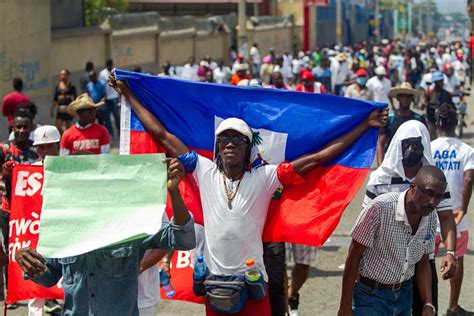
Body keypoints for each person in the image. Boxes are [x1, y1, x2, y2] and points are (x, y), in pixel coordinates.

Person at [109, 72, 387, 315]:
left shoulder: (265, 177)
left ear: (248, 148)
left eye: (237, 140)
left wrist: (363, 125)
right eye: (224, 140)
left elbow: (317, 158)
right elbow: (162, 134)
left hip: (252, 285)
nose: (230, 144)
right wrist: (130, 94)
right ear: (217, 148)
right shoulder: (203, 171)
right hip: (215, 286)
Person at [15, 156, 196, 315]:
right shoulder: (63, 226)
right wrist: (30, 264)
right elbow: (49, 277)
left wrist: (173, 191)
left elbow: (183, 239)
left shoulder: (131, 222)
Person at [364, 120, 457, 316]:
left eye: (416, 144)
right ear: (398, 144)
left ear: (424, 146)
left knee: (426, 309)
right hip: (386, 261)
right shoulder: (380, 179)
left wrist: (450, 252)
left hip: (422, 260)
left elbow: (446, 217)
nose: (411, 148)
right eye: (407, 143)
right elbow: (365, 226)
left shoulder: (436, 180)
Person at [338, 166, 447, 316]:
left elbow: (423, 263)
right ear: (413, 187)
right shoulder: (380, 208)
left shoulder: (431, 217)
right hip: (370, 296)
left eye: (438, 197)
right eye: (428, 193)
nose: (432, 202)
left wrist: (428, 303)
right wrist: (345, 306)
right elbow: (353, 256)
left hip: (404, 296)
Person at [431, 104, 474, 316]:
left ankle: (427, 305)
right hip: (456, 216)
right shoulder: (467, 150)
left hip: (429, 215)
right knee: (456, 259)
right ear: (456, 124)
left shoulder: (428, 147)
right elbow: (468, 178)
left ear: (435, 123)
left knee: (425, 263)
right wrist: (463, 209)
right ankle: (452, 307)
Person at [0, 109, 39, 309]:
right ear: (12, 128)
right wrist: (3, 173)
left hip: (33, 213)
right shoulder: (4, 150)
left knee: (39, 252)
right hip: (9, 211)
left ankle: (43, 293)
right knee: (11, 252)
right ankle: (12, 293)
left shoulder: (37, 150)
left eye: (25, 126)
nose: (22, 130)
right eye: (18, 127)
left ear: (32, 128)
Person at [26, 125, 62, 315]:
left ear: (58, 145)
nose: (44, 150)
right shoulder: (28, 171)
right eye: (41, 147)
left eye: (48, 146)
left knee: (66, 281)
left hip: (63, 232)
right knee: (36, 275)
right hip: (36, 231)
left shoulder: (70, 169)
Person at [376, 82, 427, 165]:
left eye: (408, 96)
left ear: (412, 99)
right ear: (398, 98)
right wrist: (380, 167)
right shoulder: (389, 118)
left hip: (414, 166)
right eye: (402, 96)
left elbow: (425, 145)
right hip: (393, 164)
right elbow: (380, 143)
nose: (405, 99)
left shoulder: (419, 119)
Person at [425, 71, 453, 139]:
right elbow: (425, 103)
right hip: (432, 118)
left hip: (444, 120)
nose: (440, 83)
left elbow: (451, 106)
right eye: (438, 81)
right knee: (431, 136)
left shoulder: (447, 94)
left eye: (441, 81)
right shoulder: (430, 93)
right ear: (435, 83)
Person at [99, 58, 121, 138]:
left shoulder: (115, 72)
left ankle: (119, 131)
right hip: (107, 98)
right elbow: (101, 86)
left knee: (116, 116)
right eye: (108, 65)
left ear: (112, 65)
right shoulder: (102, 74)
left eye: (110, 65)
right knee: (107, 117)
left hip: (114, 97)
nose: (109, 66)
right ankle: (111, 134)